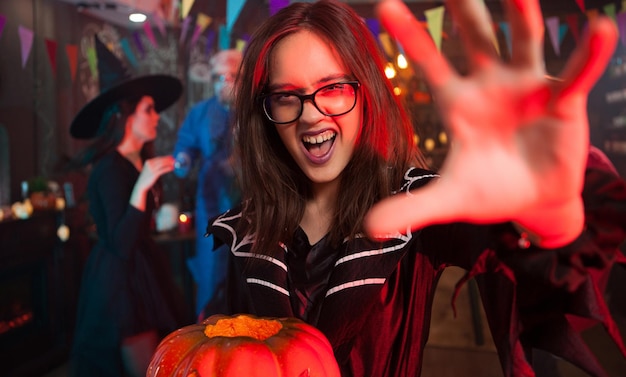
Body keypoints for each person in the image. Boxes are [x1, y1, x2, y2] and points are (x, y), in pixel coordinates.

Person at [203, 0, 626, 376]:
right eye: (287, 96)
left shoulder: (419, 207)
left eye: (333, 88)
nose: (312, 116)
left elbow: (548, 282)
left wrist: (552, 223)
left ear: (366, 94)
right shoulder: (247, 228)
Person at [68, 36, 192, 377]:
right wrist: (142, 185)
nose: (157, 117)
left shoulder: (141, 161)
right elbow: (121, 243)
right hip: (119, 282)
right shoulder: (109, 168)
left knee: (162, 361)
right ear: (126, 115)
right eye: (148, 109)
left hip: (143, 270)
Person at [172, 49, 243, 318]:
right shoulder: (200, 113)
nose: (224, 82)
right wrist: (182, 159)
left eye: (232, 75)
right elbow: (185, 147)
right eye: (218, 76)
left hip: (252, 202)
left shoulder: (256, 110)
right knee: (212, 268)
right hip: (212, 201)